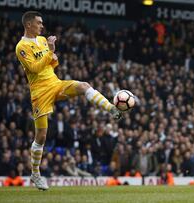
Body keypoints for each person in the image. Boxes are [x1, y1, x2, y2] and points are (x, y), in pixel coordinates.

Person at [15, 11, 123, 190]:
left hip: (55, 83)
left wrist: (52, 55)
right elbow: (34, 68)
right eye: (39, 23)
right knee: (41, 136)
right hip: (40, 92)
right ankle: (35, 174)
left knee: (83, 85)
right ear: (28, 25)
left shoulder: (42, 40)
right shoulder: (21, 47)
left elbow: (50, 63)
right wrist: (50, 52)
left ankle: (112, 109)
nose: (42, 26)